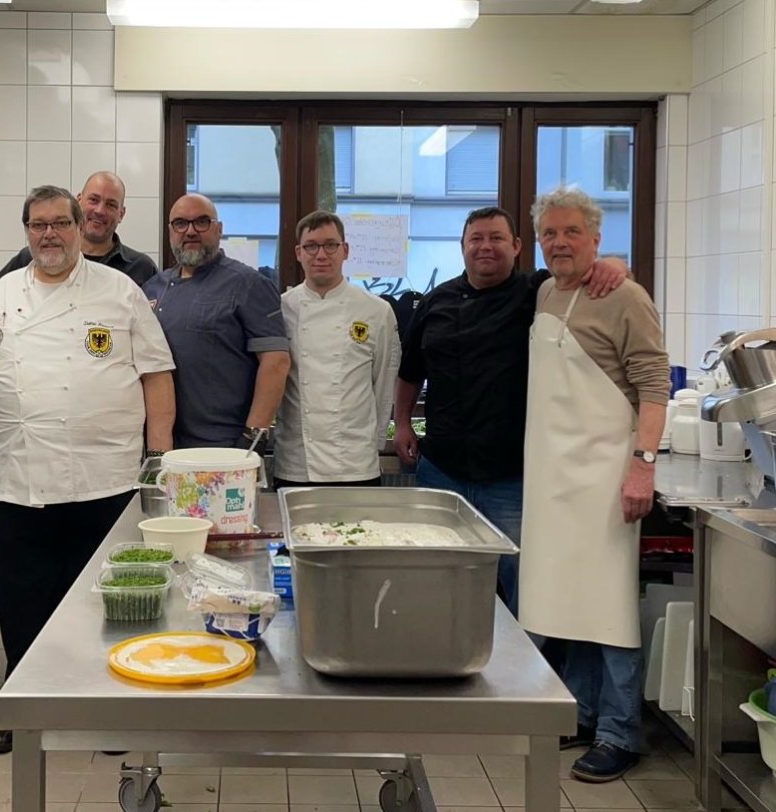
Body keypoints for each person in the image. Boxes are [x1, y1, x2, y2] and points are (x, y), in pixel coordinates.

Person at [0, 185, 176, 754]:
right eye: (37, 224)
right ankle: (19, 706)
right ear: (26, 231)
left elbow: (156, 375)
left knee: (109, 599)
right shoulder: (1, 295)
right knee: (21, 600)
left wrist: (158, 456)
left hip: (105, 480)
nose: (48, 234)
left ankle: (106, 705)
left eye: (59, 223)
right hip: (17, 479)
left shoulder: (119, 291)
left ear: (80, 228)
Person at [394, 207, 626, 616]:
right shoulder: (437, 302)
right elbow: (410, 373)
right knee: (436, 575)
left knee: (521, 582)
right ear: (462, 247)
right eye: (476, 238)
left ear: (517, 247)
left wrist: (611, 264)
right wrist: (402, 425)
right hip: (441, 468)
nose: (486, 246)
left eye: (496, 238)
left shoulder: (538, 292)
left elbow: (581, 274)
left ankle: (524, 674)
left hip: (511, 475)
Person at [520, 187, 669, 782]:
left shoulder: (625, 294)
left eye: (572, 233)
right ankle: (580, 714)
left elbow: (653, 387)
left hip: (607, 476)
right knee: (563, 602)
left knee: (607, 610)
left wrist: (643, 464)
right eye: (550, 233)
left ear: (597, 238)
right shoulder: (545, 292)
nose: (559, 243)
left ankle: (619, 732)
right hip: (554, 476)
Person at [144, 193, 290, 448]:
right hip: (165, 445)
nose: (190, 231)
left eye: (201, 222)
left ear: (219, 229)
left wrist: (252, 439)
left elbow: (276, 363)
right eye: (180, 223)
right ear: (170, 231)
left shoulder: (249, 284)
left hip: (225, 447)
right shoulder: (153, 288)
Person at [272, 210, 399, 488]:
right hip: (296, 461)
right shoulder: (281, 308)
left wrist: (373, 442)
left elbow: (383, 383)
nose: (321, 255)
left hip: (355, 463)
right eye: (311, 246)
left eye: (331, 245)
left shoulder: (376, 310)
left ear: (346, 250)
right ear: (298, 252)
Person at [0, 171, 157, 285]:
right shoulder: (32, 257)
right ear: (78, 201)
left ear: (121, 214)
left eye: (111, 205)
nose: (100, 211)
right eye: (94, 200)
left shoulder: (142, 268)